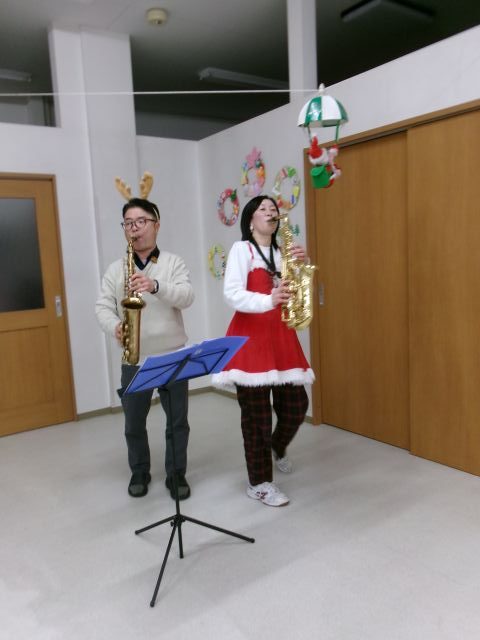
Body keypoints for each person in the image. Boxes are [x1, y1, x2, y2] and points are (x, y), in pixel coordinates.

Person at [212, 195, 315, 507]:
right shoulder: (241, 249)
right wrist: (268, 300)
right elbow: (232, 294)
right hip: (250, 340)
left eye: (274, 209)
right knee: (256, 418)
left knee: (296, 405)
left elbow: (295, 295)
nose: (270, 213)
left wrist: (301, 266)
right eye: (263, 209)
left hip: (281, 338)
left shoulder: (283, 252)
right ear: (250, 220)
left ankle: (276, 446)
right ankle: (259, 483)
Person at [95, 197, 194, 500]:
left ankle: (176, 473)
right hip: (134, 357)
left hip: (173, 354)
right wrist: (114, 325)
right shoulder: (116, 269)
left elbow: (187, 296)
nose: (134, 229)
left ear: (156, 225)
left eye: (141, 222)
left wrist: (155, 286)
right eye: (128, 223)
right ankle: (139, 471)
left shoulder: (173, 262)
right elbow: (102, 306)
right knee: (134, 422)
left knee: (177, 422)